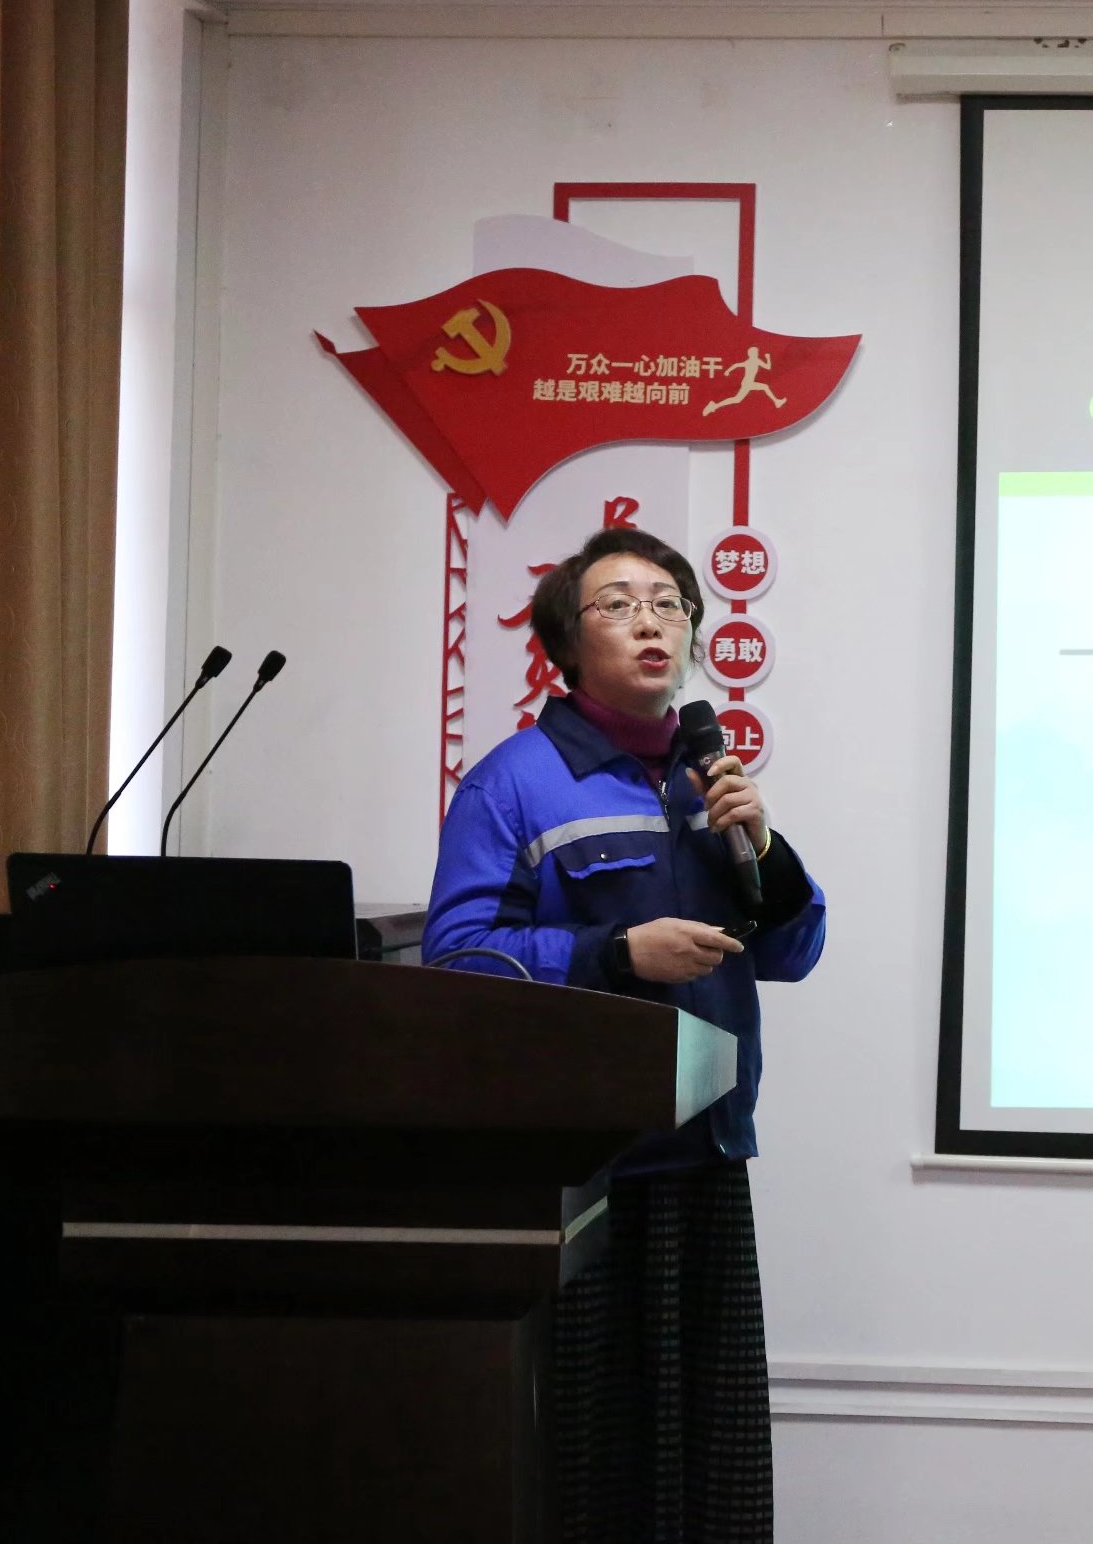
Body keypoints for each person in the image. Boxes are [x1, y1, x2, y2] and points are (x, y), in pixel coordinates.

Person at [423, 525, 824, 1542]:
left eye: (669, 603)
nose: (651, 621)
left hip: (706, 1152)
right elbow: (457, 961)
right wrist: (614, 954)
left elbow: (791, 953)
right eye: (617, 603)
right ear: (565, 643)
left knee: (712, 1470)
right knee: (595, 1468)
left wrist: (765, 846)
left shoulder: (711, 777)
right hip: (582, 1174)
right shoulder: (514, 782)